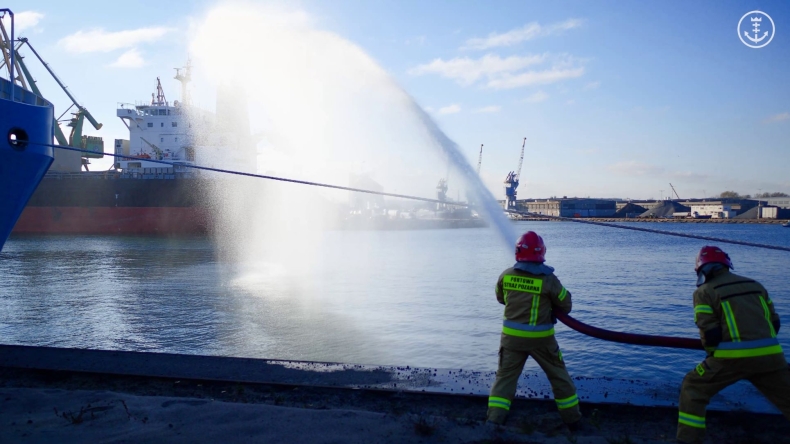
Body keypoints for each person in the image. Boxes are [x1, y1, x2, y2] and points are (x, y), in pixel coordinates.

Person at [677, 245, 790, 443]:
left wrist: (712, 355)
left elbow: (710, 334)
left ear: (701, 270)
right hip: (771, 357)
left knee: (693, 387)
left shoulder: (705, 292)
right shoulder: (756, 285)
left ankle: (688, 440)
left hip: (730, 360)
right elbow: (775, 323)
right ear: (727, 265)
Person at [487, 231, 581, 428]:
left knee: (504, 380)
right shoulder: (549, 280)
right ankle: (573, 421)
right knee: (559, 377)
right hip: (542, 341)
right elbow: (566, 304)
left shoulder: (506, 275)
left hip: (511, 341)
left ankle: (493, 422)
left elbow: (500, 298)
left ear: (518, 252)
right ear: (542, 252)